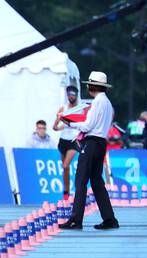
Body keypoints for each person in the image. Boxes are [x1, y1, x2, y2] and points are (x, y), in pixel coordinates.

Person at [60, 70, 117, 231]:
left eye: (89, 84)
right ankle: (109, 218)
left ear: (94, 86)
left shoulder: (98, 102)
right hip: (101, 143)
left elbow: (87, 126)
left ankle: (76, 219)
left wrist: (68, 122)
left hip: (91, 143)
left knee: (81, 181)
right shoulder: (107, 102)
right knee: (97, 182)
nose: (88, 87)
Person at [54, 86, 83, 196]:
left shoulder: (80, 109)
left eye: (73, 95)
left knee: (66, 165)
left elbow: (83, 125)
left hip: (73, 140)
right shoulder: (63, 108)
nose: (71, 97)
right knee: (65, 169)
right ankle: (66, 192)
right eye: (69, 95)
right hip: (63, 140)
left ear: (76, 96)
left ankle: (71, 191)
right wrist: (61, 122)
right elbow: (55, 126)